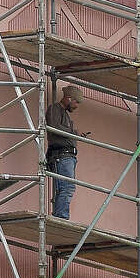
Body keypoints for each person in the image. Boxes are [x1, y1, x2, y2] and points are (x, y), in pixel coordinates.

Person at [45, 78, 84, 221]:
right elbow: (54, 127)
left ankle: (60, 216)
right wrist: (74, 133)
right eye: (76, 102)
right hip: (61, 155)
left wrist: (74, 133)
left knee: (65, 187)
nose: (76, 106)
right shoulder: (55, 109)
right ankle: (61, 217)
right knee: (67, 187)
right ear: (68, 98)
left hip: (67, 156)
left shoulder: (64, 114)